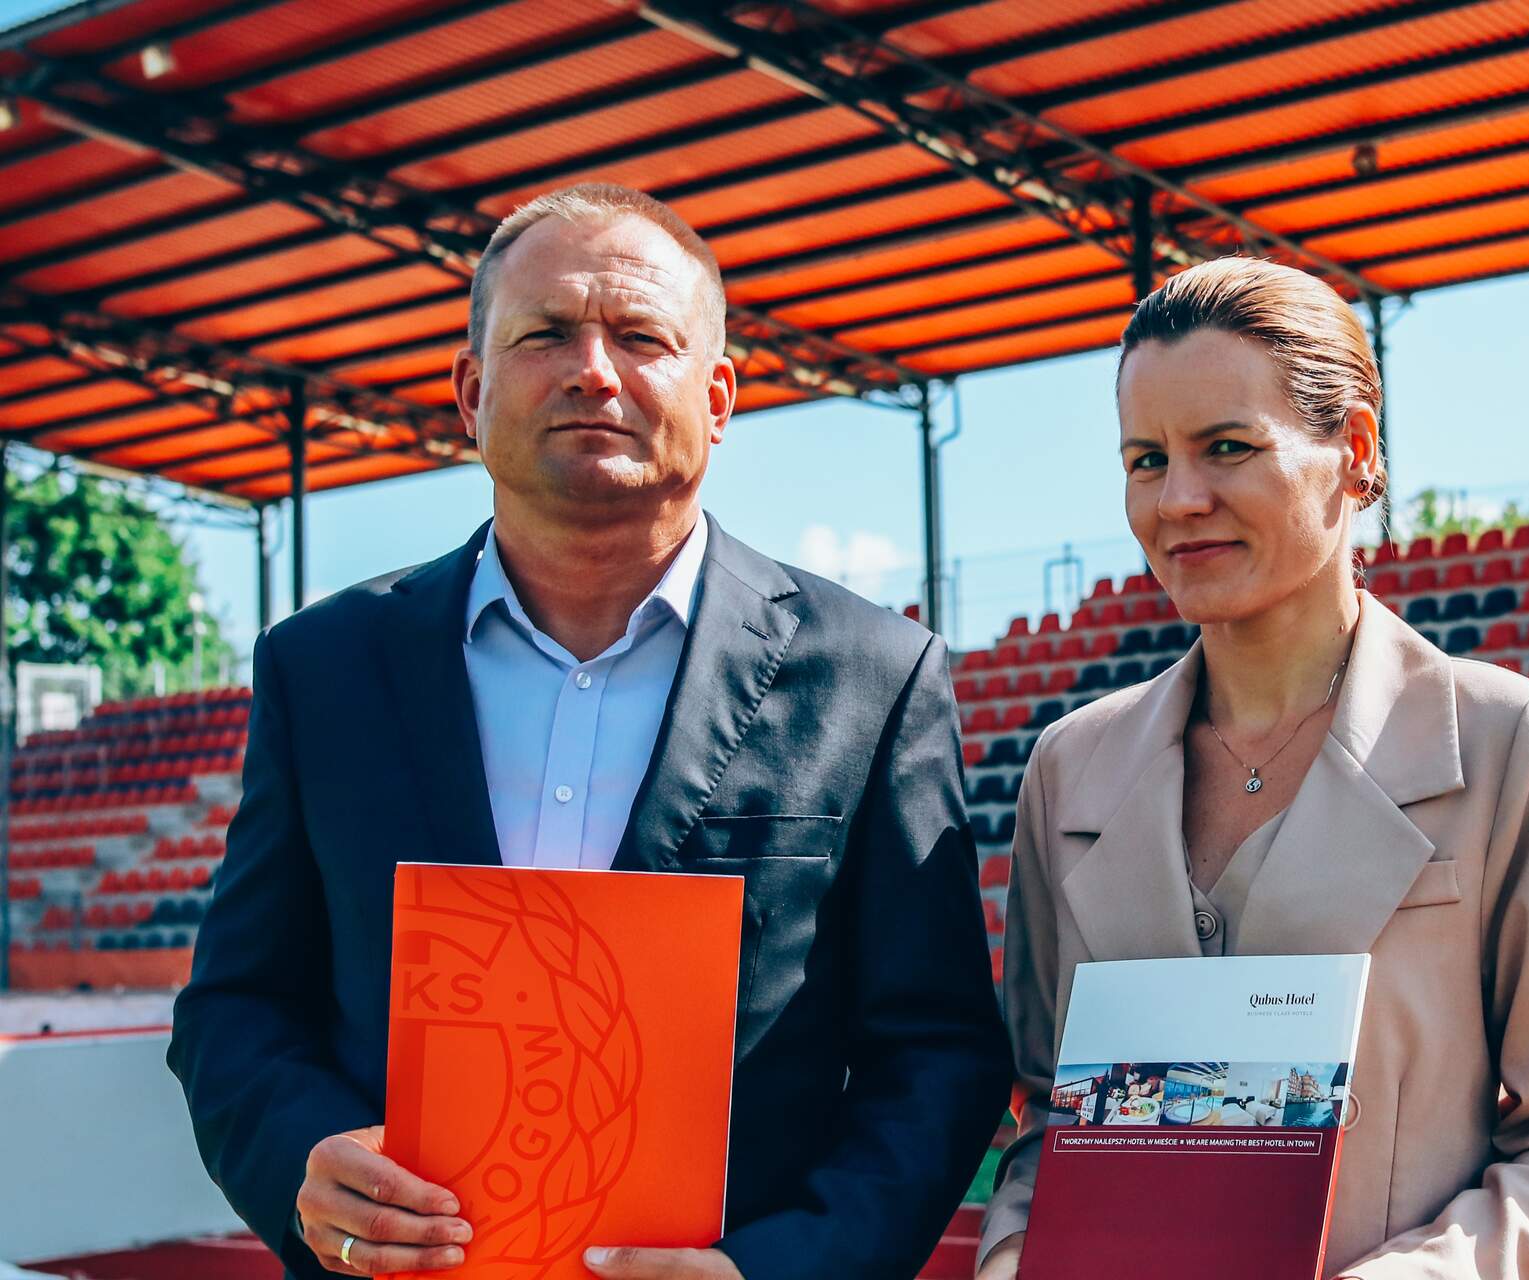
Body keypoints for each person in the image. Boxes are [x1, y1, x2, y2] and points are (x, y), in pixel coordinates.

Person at [167, 183, 1011, 1280]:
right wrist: (302, 1159)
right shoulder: (322, 667)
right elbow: (236, 1006)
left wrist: (776, 1269)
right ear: (471, 391)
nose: (594, 371)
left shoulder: (874, 676)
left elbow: (936, 1050)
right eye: (546, 333)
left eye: (641, 337)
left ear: (718, 396)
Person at [977, 257, 1529, 1278]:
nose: (1180, 498)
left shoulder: (1507, 742)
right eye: (1146, 459)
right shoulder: (1067, 768)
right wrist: (1012, 1258)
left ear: (1354, 450)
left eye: (1227, 447)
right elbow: (1048, 1117)